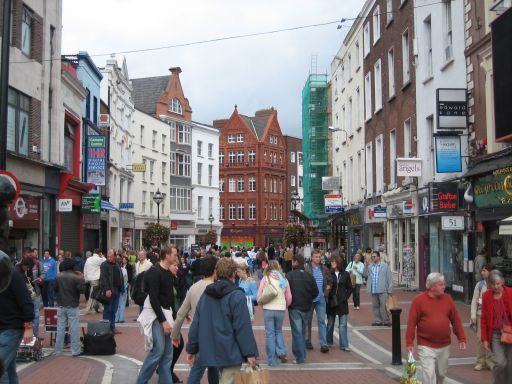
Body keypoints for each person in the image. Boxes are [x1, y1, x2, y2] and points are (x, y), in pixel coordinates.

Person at [186, 258, 258, 384]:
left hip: (210, 349)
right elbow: (242, 327)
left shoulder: (206, 294)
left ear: (217, 273)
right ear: (234, 273)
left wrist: (192, 348)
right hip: (231, 351)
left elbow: (196, 323)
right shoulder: (236, 295)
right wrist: (250, 353)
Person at [406, 272, 466, 384]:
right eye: (441, 284)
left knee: (441, 374)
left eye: (444, 284)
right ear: (432, 286)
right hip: (425, 345)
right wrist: (409, 343)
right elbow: (411, 323)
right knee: (429, 376)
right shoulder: (418, 300)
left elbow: (456, 320)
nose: (444, 286)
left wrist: (461, 338)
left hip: (444, 345)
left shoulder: (448, 299)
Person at [172, 256, 219, 384]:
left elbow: (181, 314)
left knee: (198, 368)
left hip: (197, 333)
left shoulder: (193, 288)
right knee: (211, 367)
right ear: (215, 270)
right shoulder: (218, 287)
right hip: (215, 333)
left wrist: (175, 335)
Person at [136, 245, 177, 384]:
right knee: (158, 351)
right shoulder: (155, 272)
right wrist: (163, 321)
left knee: (167, 354)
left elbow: (169, 298)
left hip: (165, 314)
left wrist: (173, 316)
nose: (176, 257)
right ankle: (141, 381)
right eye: (174, 255)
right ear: (167, 256)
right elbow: (154, 298)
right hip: (156, 315)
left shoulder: (167, 272)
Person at [0, 252, 35, 384]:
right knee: (8, 370)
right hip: (5, 328)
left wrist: (29, 327)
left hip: (11, 328)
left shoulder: (13, 276)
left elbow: (25, 301)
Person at [257, 260, 292, 366]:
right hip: (280, 310)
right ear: (278, 267)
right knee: (278, 331)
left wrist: (262, 305)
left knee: (270, 334)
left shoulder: (265, 278)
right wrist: (285, 305)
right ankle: (281, 351)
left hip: (268, 309)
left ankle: (272, 360)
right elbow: (289, 297)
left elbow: (259, 295)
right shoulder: (284, 279)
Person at [286, 253, 318, 364]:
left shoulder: (289, 275)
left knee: (297, 332)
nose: (291, 263)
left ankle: (300, 357)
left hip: (294, 307)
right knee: (302, 331)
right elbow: (316, 292)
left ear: (295, 262)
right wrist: (309, 300)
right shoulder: (309, 276)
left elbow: (286, 291)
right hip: (306, 307)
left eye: (292, 261)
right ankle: (301, 354)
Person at [481, 269, 512, 384]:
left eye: (498, 283)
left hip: (510, 332)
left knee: (509, 366)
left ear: (503, 281)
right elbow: (484, 319)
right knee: (500, 363)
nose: (496, 286)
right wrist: (484, 339)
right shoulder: (486, 296)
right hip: (495, 334)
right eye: (493, 284)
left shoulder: (510, 293)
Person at [53, 258, 85, 356]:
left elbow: (54, 288)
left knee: (60, 328)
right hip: (73, 305)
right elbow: (82, 290)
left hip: (61, 304)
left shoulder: (58, 277)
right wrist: (82, 278)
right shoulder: (77, 277)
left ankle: (58, 351)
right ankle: (75, 350)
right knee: (74, 328)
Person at [304, 249, 332, 352]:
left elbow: (330, 280)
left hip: (321, 298)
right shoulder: (307, 269)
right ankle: (307, 342)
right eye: (316, 257)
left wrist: (327, 289)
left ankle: (323, 344)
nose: (318, 258)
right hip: (310, 299)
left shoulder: (324, 268)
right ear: (312, 257)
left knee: (321, 321)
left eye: (319, 257)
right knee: (308, 321)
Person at [326, 255, 353, 351]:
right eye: (331, 262)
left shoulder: (345, 274)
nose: (332, 263)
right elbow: (326, 286)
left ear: (338, 263)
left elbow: (350, 287)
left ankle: (344, 344)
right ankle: (328, 341)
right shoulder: (329, 273)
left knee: (343, 324)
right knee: (330, 323)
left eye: (334, 261)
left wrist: (345, 297)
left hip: (342, 303)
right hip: (331, 302)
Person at [470, 263, 493, 371]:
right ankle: (480, 361)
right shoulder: (479, 285)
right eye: (482, 270)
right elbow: (474, 301)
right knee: (480, 339)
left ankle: (490, 361)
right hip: (481, 315)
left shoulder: (495, 284)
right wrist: (473, 315)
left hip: (493, 317)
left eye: (485, 270)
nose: (483, 272)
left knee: (492, 339)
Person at [363, 251, 393, 326]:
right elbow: (365, 274)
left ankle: (386, 321)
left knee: (383, 306)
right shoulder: (370, 266)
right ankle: (378, 321)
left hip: (383, 290)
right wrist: (365, 266)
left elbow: (389, 278)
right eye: (372, 257)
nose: (373, 258)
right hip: (373, 289)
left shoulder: (385, 266)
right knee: (375, 306)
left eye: (374, 256)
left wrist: (390, 290)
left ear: (378, 257)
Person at [99, 249, 124, 334]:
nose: (109, 257)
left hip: (117, 290)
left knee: (114, 310)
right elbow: (103, 278)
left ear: (114, 256)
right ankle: (106, 328)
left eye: (111, 256)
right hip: (109, 290)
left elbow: (121, 277)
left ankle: (112, 327)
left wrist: (122, 289)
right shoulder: (104, 265)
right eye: (108, 256)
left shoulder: (117, 264)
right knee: (107, 310)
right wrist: (107, 289)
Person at [83, 249, 105, 314]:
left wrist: (85, 277)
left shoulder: (88, 259)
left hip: (90, 278)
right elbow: (106, 261)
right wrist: (102, 256)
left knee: (96, 292)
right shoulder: (98, 259)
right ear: (99, 253)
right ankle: (88, 308)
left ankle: (100, 307)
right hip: (96, 278)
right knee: (93, 294)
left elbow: (85, 268)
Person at [116, 256, 129, 323]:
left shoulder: (114, 270)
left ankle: (116, 318)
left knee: (116, 304)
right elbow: (126, 280)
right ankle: (121, 318)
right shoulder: (124, 270)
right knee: (122, 303)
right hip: (123, 288)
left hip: (116, 289)